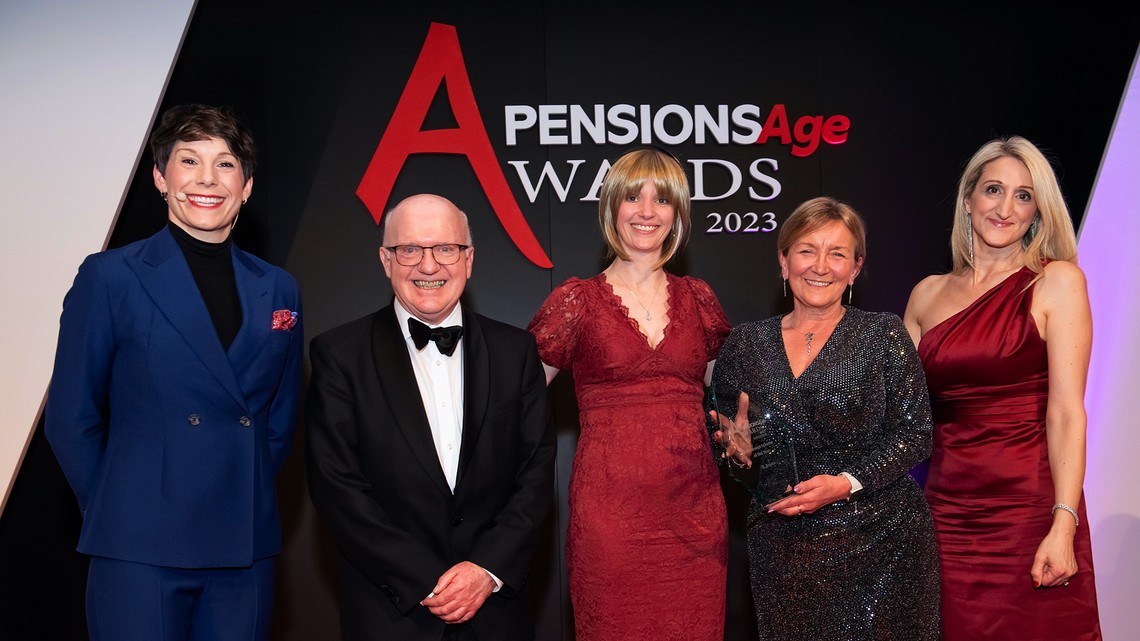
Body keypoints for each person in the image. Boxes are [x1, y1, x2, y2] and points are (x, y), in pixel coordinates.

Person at [44, 104, 304, 641]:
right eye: (190, 161)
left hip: (243, 544)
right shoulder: (110, 276)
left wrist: (243, 487)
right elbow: (71, 416)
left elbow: (279, 419)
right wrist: (119, 504)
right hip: (138, 544)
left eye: (226, 164)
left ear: (247, 186)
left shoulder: (279, 287)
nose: (207, 179)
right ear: (162, 178)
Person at [306, 193, 556, 641]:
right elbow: (336, 484)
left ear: (469, 258)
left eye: (445, 248)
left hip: (496, 609)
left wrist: (486, 570)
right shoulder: (339, 355)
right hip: (390, 612)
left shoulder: (516, 352)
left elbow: (536, 473)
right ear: (385, 260)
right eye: (409, 250)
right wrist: (425, 579)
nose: (428, 266)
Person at [710, 196, 940, 641]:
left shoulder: (883, 333)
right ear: (783, 260)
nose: (820, 266)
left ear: (855, 268)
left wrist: (846, 482)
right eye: (806, 250)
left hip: (881, 538)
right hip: (783, 545)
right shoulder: (744, 344)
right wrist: (738, 455)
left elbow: (916, 435)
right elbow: (727, 441)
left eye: (837, 253)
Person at [527, 147, 732, 640]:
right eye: (632, 198)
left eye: (662, 200)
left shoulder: (699, 298)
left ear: (678, 213)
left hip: (696, 519)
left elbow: (733, 404)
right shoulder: (576, 301)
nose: (646, 211)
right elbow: (515, 401)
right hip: (611, 522)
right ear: (611, 207)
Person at [903, 136, 1102, 640]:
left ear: (1037, 211)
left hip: (1030, 511)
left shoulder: (1056, 281)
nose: (1005, 208)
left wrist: (1064, 523)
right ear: (969, 199)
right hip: (945, 515)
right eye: (994, 189)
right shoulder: (926, 294)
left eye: (1023, 195)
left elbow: (1066, 414)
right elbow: (891, 412)